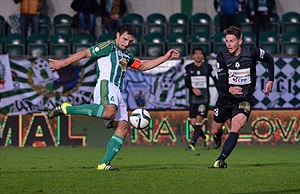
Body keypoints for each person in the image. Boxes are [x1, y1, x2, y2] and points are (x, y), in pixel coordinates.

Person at [47, 24, 180, 171]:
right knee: (109, 112)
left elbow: (143, 66)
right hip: (106, 84)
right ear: (117, 35)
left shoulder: (127, 54)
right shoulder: (108, 46)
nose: (126, 43)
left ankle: (104, 164)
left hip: (117, 91)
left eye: (130, 41)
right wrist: (63, 63)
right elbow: (85, 52)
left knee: (122, 128)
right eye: (124, 39)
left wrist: (165, 57)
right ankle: (67, 109)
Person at [211, 26, 274, 168]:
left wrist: (271, 80)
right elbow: (221, 82)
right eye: (227, 41)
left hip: (244, 99)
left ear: (240, 41)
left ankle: (221, 159)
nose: (229, 44)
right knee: (215, 129)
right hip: (225, 99)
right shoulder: (222, 56)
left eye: (232, 41)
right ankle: (217, 136)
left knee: (236, 127)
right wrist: (229, 88)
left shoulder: (252, 52)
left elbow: (269, 59)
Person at [184, 48, 218, 151]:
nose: (198, 56)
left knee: (199, 121)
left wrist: (222, 92)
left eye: (200, 54)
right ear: (193, 56)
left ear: (203, 56)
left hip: (204, 98)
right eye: (196, 54)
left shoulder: (207, 67)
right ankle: (204, 137)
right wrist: (193, 89)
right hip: (193, 98)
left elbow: (215, 80)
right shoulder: (188, 68)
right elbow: (187, 82)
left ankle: (192, 144)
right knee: (193, 123)